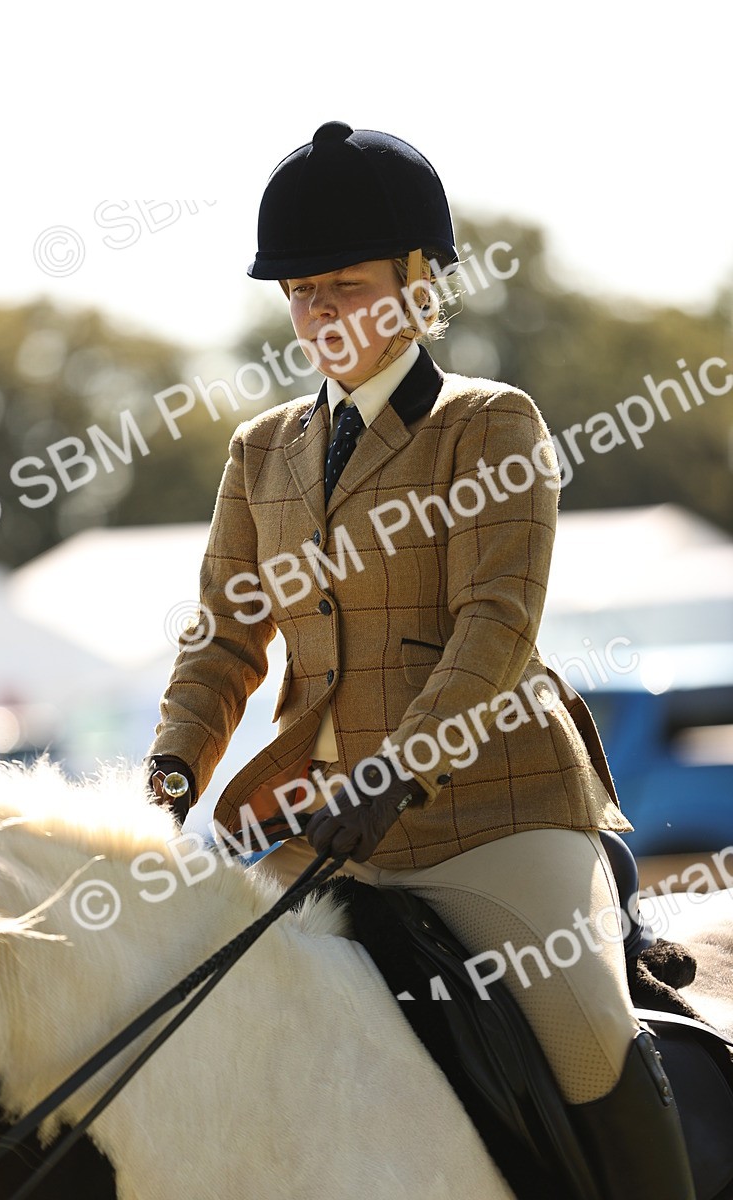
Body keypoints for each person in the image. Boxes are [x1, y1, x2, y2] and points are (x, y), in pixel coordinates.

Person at [148, 121, 695, 1198]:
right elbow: (223, 636)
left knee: (587, 1036)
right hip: (323, 826)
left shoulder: (487, 425)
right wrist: (170, 771)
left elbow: (494, 626)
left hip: (494, 815)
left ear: (416, 283)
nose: (321, 314)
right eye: (302, 293)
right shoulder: (260, 451)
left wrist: (398, 769)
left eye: (345, 287)